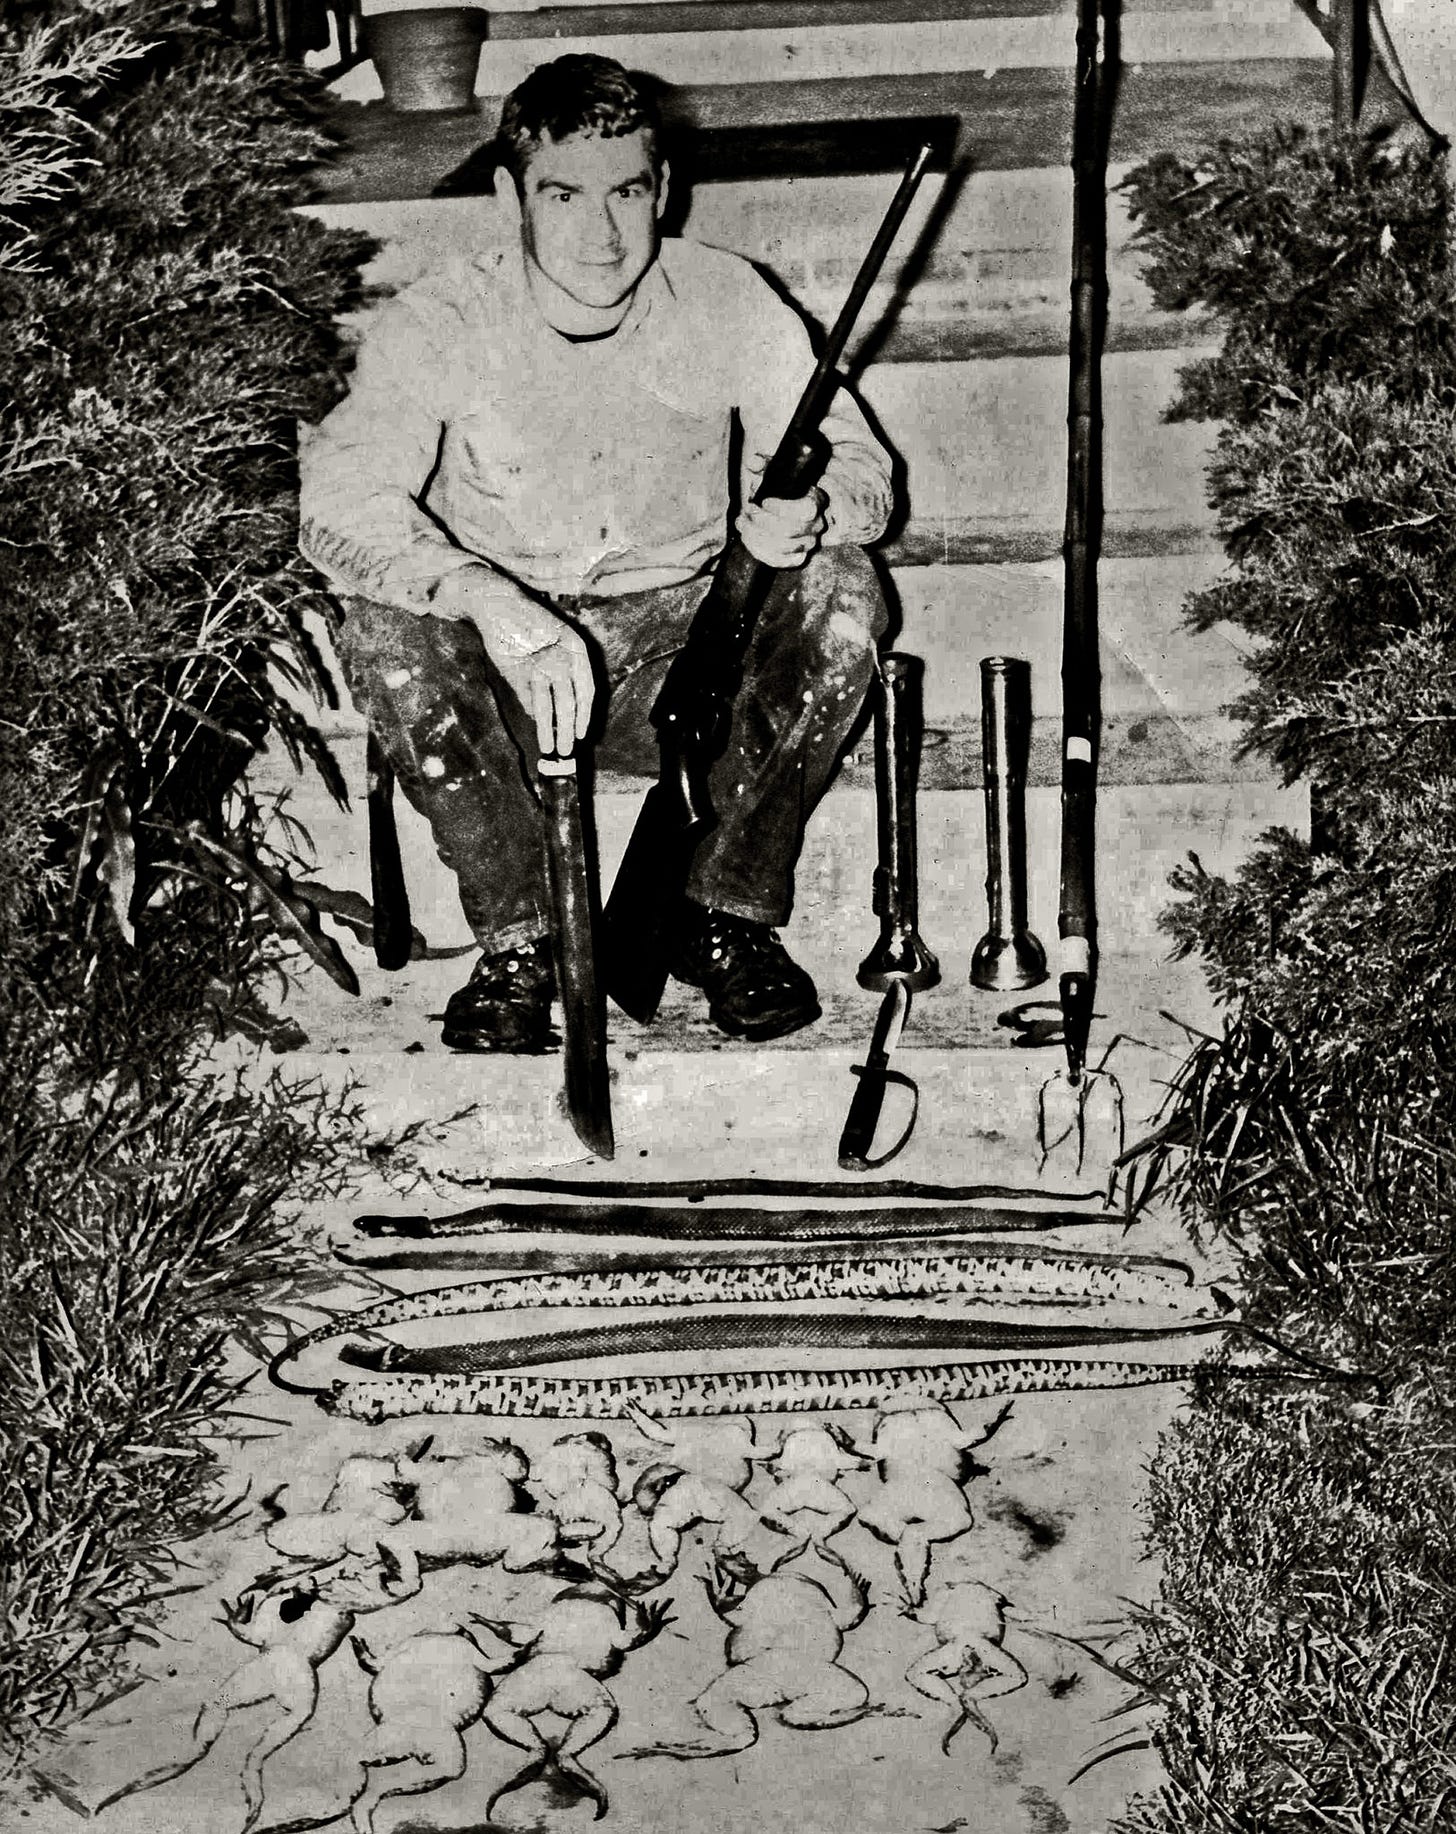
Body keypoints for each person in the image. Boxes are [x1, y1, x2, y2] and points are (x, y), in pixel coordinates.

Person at [299, 54, 895, 1052]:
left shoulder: (727, 298)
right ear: (508, 196)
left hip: (675, 662)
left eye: (626, 192)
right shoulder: (442, 319)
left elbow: (864, 467)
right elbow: (336, 505)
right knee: (385, 628)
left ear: (664, 188)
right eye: (563, 196)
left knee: (843, 595)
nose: (604, 233)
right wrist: (479, 590)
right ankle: (521, 942)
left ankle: (724, 911)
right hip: (504, 669)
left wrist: (818, 510)